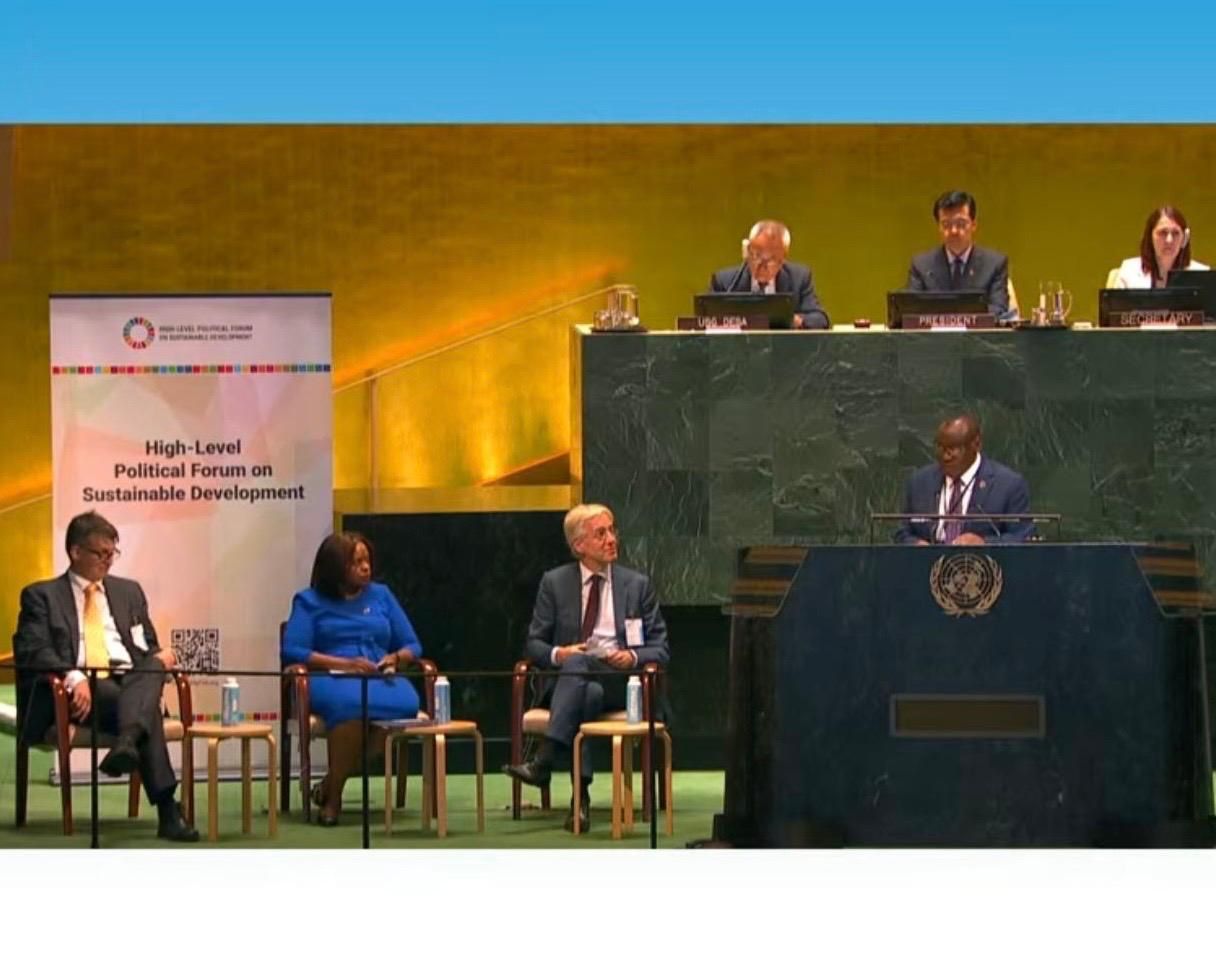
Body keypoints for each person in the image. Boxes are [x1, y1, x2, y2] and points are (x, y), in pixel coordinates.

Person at [12, 510, 199, 841]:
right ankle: (168, 810)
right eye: (102, 553)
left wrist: (161, 657)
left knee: (154, 665)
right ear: (75, 552)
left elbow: (147, 646)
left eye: (113, 553)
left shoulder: (129, 592)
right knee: (146, 711)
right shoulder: (41, 596)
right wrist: (73, 676)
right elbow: (33, 650)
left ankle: (128, 740)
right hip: (77, 692)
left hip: (129, 681)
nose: (109, 561)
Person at [503, 503, 670, 832]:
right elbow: (534, 645)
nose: (611, 539)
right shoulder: (555, 583)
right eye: (600, 533)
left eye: (612, 531)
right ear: (579, 545)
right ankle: (580, 800)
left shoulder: (637, 585)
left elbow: (661, 648)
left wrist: (632, 658)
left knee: (585, 674)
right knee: (585, 690)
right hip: (576, 683)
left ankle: (545, 760)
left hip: (622, 682)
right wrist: (559, 654)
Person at [281, 531, 424, 826]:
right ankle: (333, 802)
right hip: (329, 677)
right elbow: (292, 650)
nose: (365, 568)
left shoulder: (382, 595)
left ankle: (329, 784)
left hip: (377, 675)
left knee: (406, 704)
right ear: (335, 567)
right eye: (356, 562)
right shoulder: (309, 601)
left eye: (367, 561)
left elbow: (413, 644)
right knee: (350, 706)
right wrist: (343, 663)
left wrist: (395, 658)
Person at [894, 414, 1034, 545]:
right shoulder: (919, 482)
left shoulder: (1008, 485)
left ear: (976, 445)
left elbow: (1023, 536)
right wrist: (915, 544)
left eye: (953, 448)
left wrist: (984, 543)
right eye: (941, 448)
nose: (945, 456)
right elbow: (901, 532)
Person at [907, 190, 1012, 320]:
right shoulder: (921, 265)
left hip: (979, 339)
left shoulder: (994, 264)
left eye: (961, 224)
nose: (954, 231)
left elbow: (998, 309)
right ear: (938, 227)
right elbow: (911, 311)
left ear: (974, 225)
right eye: (946, 225)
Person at [709, 219, 830, 329]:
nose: (761, 266)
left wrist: (795, 320)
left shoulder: (799, 278)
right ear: (747, 251)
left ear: (783, 258)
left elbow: (820, 319)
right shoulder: (725, 282)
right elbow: (704, 321)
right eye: (756, 255)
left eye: (770, 260)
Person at [1113, 205, 1209, 288]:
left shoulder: (1203, 275)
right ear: (1150, 237)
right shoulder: (1128, 271)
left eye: (1176, 233)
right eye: (1163, 233)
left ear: (1184, 239)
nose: (1169, 240)